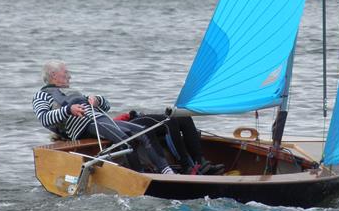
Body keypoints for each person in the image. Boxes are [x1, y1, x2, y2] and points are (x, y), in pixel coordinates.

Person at [32, 60, 175, 174]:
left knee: (144, 132)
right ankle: (140, 175)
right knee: (124, 142)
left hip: (101, 119)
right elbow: (44, 118)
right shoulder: (41, 95)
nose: (70, 76)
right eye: (66, 72)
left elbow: (106, 106)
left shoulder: (72, 92)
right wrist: (68, 110)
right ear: (53, 75)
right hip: (85, 126)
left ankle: (166, 170)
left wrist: (98, 100)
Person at [119, 111, 224, 175]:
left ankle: (200, 163)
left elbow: (105, 105)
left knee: (184, 117)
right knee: (170, 121)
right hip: (126, 124)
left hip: (135, 118)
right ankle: (186, 167)